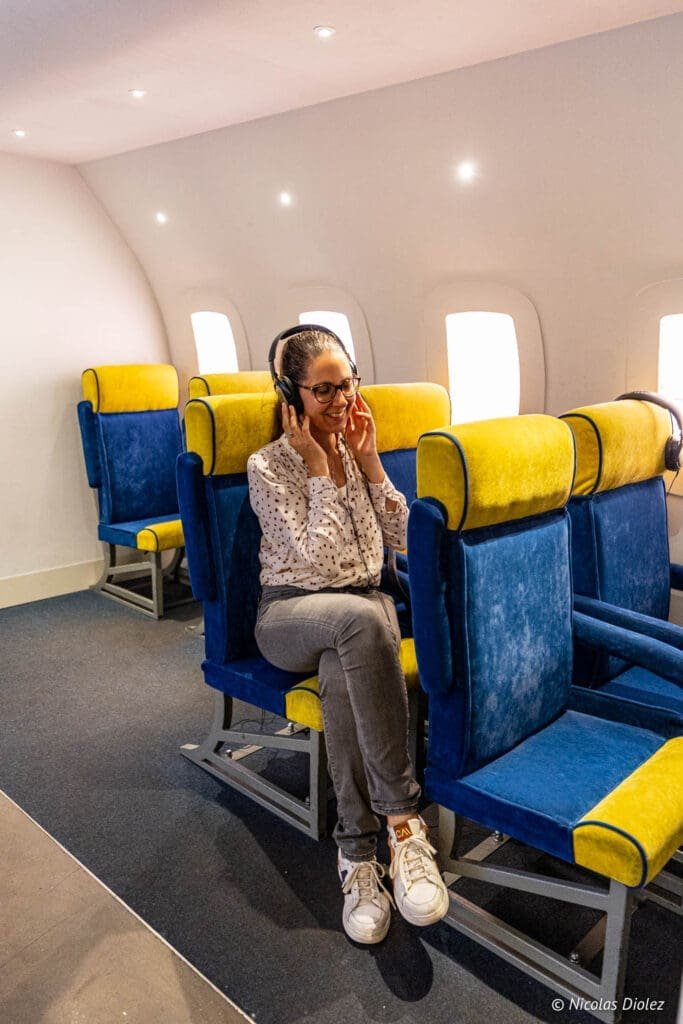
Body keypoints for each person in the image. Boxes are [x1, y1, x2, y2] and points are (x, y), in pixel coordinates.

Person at [247, 325, 449, 944]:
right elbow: (319, 562)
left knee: (347, 659)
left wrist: (370, 462)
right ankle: (405, 824)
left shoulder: (355, 448)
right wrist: (319, 470)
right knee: (360, 619)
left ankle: (358, 854)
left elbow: (404, 538)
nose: (342, 401)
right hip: (290, 615)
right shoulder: (269, 466)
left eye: (348, 384)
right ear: (292, 394)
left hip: (360, 613)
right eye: (325, 390)